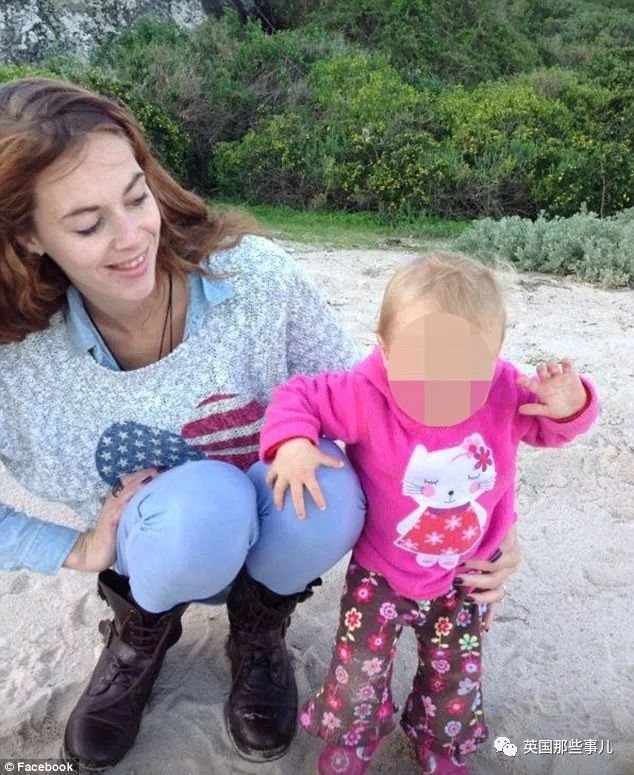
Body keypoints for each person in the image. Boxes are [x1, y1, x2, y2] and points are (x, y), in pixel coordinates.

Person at [0, 77, 519, 771]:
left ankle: (260, 622)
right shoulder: (17, 359)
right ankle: (141, 624)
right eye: (88, 224)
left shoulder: (256, 281)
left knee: (331, 489)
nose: (132, 238)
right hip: (155, 546)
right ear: (29, 234)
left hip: (277, 531)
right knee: (206, 500)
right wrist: (76, 547)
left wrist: (490, 526)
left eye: (136, 197)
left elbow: (389, 405)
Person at [259, 251, 599, 774]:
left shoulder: (505, 391)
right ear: (386, 351)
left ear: (494, 358)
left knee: (456, 677)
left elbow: (552, 429)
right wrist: (293, 442)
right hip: (381, 570)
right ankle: (352, 737)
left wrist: (570, 404)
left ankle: (440, 744)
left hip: (467, 573)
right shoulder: (366, 392)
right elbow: (299, 396)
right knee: (358, 669)